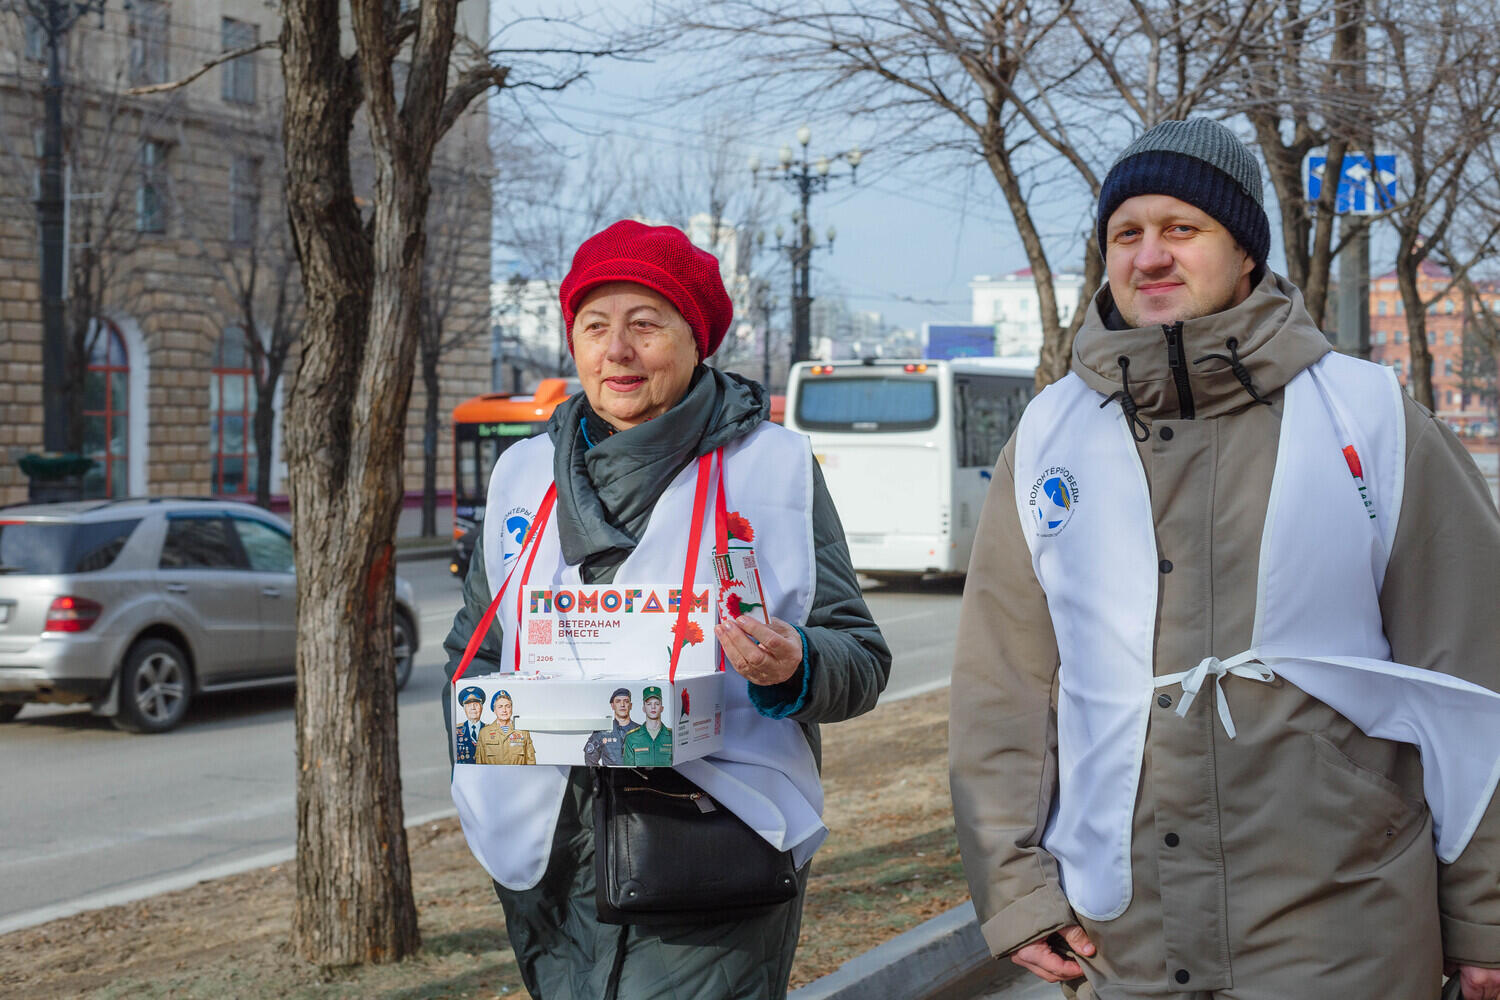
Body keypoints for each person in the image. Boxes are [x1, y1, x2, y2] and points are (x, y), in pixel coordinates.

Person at [950, 117, 1500, 1000]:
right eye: (1127, 234)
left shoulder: (1373, 417)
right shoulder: (1050, 433)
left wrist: (1484, 915)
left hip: (1338, 924)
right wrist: (1014, 891)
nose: (1151, 256)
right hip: (1123, 934)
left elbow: (1473, 673)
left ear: (1245, 252)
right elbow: (1004, 688)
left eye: (1182, 229)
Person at [443, 219, 891, 999]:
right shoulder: (521, 475)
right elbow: (475, 647)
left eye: (645, 325)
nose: (616, 350)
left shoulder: (769, 468)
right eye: (594, 326)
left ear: (696, 340)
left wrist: (796, 666)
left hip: (714, 844)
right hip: (549, 850)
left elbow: (860, 653)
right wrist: (480, 748)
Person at [582, 687, 640, 767]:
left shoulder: (641, 731)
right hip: (611, 778)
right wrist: (602, 776)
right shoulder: (602, 731)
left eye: (626, 701)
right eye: (618, 701)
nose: (622, 705)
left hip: (636, 777)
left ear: (630, 705)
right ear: (612, 706)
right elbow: (590, 760)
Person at [476, 690, 536, 766]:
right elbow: (479, 763)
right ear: (494, 710)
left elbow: (531, 762)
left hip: (518, 776)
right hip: (493, 777)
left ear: (511, 709)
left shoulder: (523, 732)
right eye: (500, 707)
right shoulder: (484, 733)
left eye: (507, 706)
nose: (504, 710)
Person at [621, 685, 672, 766]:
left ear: (662, 708)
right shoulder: (631, 738)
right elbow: (628, 771)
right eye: (649, 704)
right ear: (644, 708)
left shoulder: (672, 736)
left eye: (657, 703)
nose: (653, 707)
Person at [456, 685, 485, 764]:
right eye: (468, 705)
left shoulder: (491, 730)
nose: (473, 708)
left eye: (476, 704)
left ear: (481, 707)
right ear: (464, 708)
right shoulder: (456, 731)